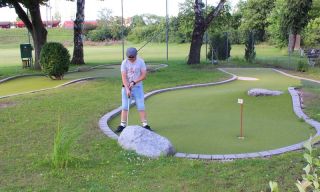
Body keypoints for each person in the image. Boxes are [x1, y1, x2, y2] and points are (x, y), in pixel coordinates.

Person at [115, 47, 152, 133]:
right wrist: (127, 89)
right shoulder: (124, 63)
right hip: (126, 87)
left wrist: (134, 82)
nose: (131, 60)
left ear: (136, 56)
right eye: (129, 58)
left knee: (141, 106)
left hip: (138, 87)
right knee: (124, 106)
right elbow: (123, 77)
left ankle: (145, 125)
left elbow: (143, 75)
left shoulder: (141, 62)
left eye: (132, 58)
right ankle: (122, 125)